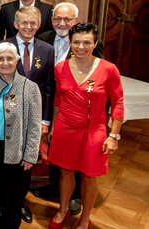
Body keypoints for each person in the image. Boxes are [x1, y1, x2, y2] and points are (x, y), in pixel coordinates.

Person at [48, 22, 124, 229]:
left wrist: (113, 135)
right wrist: (54, 126)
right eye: (76, 42)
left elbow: (117, 103)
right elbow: (57, 99)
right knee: (65, 171)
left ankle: (84, 218)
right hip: (65, 127)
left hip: (94, 130)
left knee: (89, 176)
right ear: (70, 43)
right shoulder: (60, 68)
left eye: (86, 42)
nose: (81, 47)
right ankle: (63, 210)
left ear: (95, 43)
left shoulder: (109, 69)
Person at [34, 2, 105, 215]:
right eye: (57, 19)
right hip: (52, 100)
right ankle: (54, 186)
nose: (62, 23)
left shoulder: (90, 44)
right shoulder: (45, 38)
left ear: (75, 21)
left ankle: (75, 196)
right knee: (56, 149)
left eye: (67, 19)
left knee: (77, 154)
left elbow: (100, 78)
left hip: (80, 107)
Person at [0, 6, 55, 223]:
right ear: (15, 24)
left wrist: (44, 119)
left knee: (23, 167)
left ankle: (20, 203)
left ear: (39, 25)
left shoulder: (47, 49)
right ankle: (1, 204)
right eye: (24, 23)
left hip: (31, 117)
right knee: (2, 167)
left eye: (33, 23)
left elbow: (48, 86)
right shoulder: (1, 47)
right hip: (3, 117)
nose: (28, 27)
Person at [0, 42, 42, 229]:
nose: (5, 62)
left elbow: (35, 125)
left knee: (12, 195)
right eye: (0, 58)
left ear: (17, 60)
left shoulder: (29, 87)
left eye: (9, 58)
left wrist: (30, 155)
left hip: (15, 149)